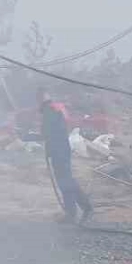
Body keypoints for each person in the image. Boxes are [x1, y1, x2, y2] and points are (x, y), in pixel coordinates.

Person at [39, 89, 92, 224]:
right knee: (67, 180)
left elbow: (51, 133)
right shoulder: (53, 110)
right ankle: (84, 207)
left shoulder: (50, 111)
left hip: (59, 151)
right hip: (60, 149)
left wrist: (48, 145)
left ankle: (72, 212)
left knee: (65, 182)